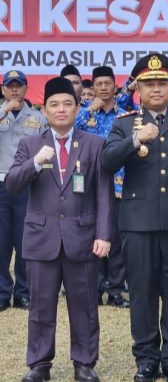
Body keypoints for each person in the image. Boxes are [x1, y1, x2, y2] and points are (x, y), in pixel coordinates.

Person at [101, 53, 168, 382]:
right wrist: (136, 139)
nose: (156, 89)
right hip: (138, 223)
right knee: (143, 292)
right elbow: (106, 162)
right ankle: (146, 358)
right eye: (149, 84)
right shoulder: (124, 123)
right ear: (137, 88)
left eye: (162, 83)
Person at [6, 77, 113, 382]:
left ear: (78, 108)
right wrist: (36, 164)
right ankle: (39, 364)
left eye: (68, 103)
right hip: (42, 238)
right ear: (44, 110)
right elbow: (13, 184)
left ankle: (84, 363)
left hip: (83, 237)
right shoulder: (30, 144)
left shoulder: (94, 144)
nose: (61, 109)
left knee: (85, 306)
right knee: (40, 306)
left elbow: (103, 193)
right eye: (54, 104)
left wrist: (104, 234)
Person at [75, 66, 130, 309]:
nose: (104, 88)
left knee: (116, 239)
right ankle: (94, 289)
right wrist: (91, 108)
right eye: (99, 84)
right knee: (92, 237)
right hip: (90, 184)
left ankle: (116, 290)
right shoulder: (85, 114)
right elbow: (67, 128)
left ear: (115, 87)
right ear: (93, 88)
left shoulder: (126, 114)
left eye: (108, 84)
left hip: (119, 183)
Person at [0, 70, 47, 312]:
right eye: (10, 86)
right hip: (1, 184)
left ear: (27, 89)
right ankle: (1, 293)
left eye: (19, 86)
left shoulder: (37, 118)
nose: (14, 90)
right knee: (1, 241)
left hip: (27, 184)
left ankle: (23, 293)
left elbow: (46, 147)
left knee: (25, 240)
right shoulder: (0, 114)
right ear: (3, 89)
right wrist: (3, 111)